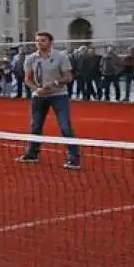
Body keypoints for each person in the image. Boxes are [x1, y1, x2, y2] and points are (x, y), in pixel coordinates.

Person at [17, 31, 81, 169]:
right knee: (35, 126)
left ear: (50, 42)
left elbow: (68, 77)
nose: (39, 43)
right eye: (37, 40)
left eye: (43, 40)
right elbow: (28, 78)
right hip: (39, 97)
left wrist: (54, 83)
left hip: (59, 95)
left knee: (65, 126)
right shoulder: (31, 59)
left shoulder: (61, 57)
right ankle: (33, 153)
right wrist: (36, 89)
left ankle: (74, 156)